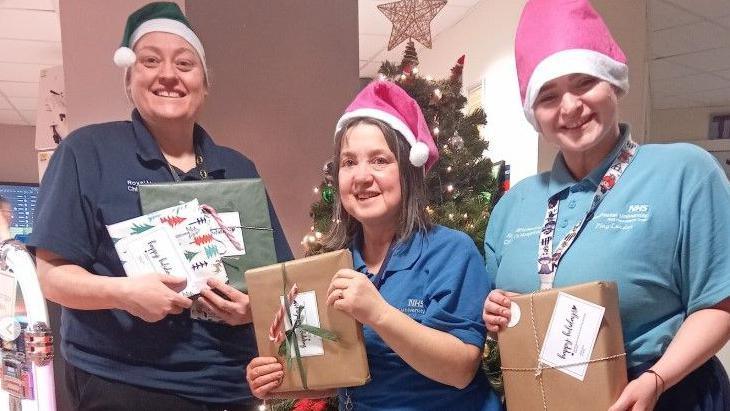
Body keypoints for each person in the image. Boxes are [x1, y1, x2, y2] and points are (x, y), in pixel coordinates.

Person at [29, 3, 292, 410]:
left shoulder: (238, 168)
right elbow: (51, 276)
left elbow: (278, 279)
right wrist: (124, 293)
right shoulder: (87, 152)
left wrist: (253, 308)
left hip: (230, 388)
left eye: (185, 63)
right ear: (130, 78)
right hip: (125, 384)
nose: (168, 74)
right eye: (151, 61)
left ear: (204, 85)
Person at [482, 1, 730, 410]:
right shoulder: (515, 204)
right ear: (534, 114)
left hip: (662, 392)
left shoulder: (685, 173)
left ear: (613, 83)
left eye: (584, 83)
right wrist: (495, 312)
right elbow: (504, 306)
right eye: (548, 96)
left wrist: (657, 379)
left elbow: (719, 302)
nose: (570, 107)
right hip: (548, 395)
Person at [246, 81, 503, 411]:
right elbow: (341, 370)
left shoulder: (451, 252)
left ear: (409, 171)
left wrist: (379, 313)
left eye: (380, 160)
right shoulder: (335, 265)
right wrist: (276, 380)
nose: (361, 176)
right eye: (349, 162)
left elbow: (460, 370)